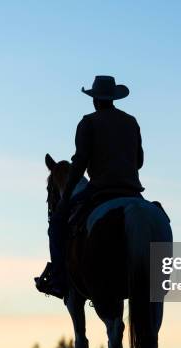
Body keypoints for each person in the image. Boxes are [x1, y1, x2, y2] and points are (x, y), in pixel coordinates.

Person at [35, 75, 145, 299]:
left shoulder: (88, 122)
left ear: (94, 100)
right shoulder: (131, 121)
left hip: (100, 190)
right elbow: (140, 161)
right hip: (132, 191)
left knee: (56, 224)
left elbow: (81, 162)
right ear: (114, 98)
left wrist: (65, 198)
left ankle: (58, 280)